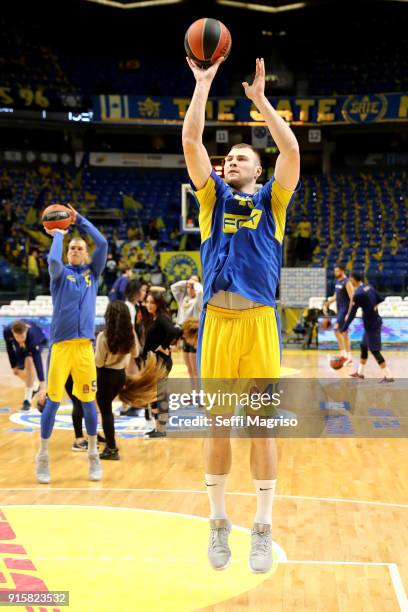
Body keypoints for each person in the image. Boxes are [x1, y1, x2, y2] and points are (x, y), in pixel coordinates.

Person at [182, 56, 300, 572]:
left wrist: (259, 102)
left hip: (257, 324)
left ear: (259, 169)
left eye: (241, 157)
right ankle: (217, 524)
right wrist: (203, 85)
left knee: (262, 429)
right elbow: (191, 143)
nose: (231, 161)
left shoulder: (274, 202)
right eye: (227, 157)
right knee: (217, 429)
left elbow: (292, 148)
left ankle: (263, 526)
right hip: (217, 326)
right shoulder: (210, 200)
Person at [35, 203, 108, 484]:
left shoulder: (93, 274)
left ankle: (92, 454)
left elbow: (102, 242)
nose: (75, 250)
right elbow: (53, 262)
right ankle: (42, 455)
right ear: (67, 253)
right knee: (53, 402)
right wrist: (57, 235)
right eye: (72, 248)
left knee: (89, 403)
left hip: (84, 349)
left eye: (79, 248)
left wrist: (80, 221)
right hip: (61, 348)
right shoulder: (59, 275)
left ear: (86, 254)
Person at [95, 301, 140, 460]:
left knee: (106, 412)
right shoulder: (130, 334)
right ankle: (109, 442)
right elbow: (135, 353)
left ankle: (111, 448)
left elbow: (99, 362)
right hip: (120, 377)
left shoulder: (103, 336)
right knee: (106, 412)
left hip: (104, 377)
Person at [143, 290, 182, 438]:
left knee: (160, 395)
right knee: (156, 394)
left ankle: (161, 428)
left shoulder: (161, 319)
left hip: (161, 362)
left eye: (152, 302)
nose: (149, 305)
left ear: (158, 304)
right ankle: (158, 427)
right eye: (147, 302)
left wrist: (164, 346)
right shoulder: (155, 318)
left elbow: (174, 331)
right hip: (154, 362)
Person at [340, 272, 394, 382]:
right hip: (373, 321)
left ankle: (388, 376)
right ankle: (360, 373)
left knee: (374, 350)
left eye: (350, 280)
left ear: (354, 280)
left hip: (372, 325)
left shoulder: (358, 294)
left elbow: (352, 314)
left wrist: (344, 328)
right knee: (363, 346)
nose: (350, 282)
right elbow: (381, 299)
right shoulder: (369, 286)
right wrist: (374, 307)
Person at [3, 319, 47, 410]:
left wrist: (42, 383)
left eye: (22, 336)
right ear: (12, 332)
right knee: (16, 371)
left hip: (39, 341)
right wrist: (13, 366)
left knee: (29, 360)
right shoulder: (7, 331)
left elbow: (37, 360)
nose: (20, 339)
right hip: (20, 346)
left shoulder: (32, 336)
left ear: (26, 331)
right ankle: (34, 387)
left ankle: (27, 400)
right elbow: (9, 348)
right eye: (17, 336)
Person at [171, 275, 203, 380]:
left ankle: (199, 394)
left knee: (196, 369)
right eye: (189, 286)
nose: (190, 289)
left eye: (193, 286)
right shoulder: (183, 299)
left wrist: (195, 283)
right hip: (184, 334)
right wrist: (187, 282)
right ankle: (193, 393)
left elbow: (200, 292)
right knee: (189, 369)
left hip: (195, 335)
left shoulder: (199, 300)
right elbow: (173, 287)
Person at [323, 265, 354, 366]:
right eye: (335, 271)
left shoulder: (347, 282)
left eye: (337, 271)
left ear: (342, 271)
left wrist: (349, 313)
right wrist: (328, 302)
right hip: (339, 310)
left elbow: (352, 298)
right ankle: (345, 356)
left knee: (337, 331)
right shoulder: (338, 282)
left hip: (344, 311)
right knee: (343, 333)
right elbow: (336, 296)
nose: (335, 273)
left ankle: (346, 356)